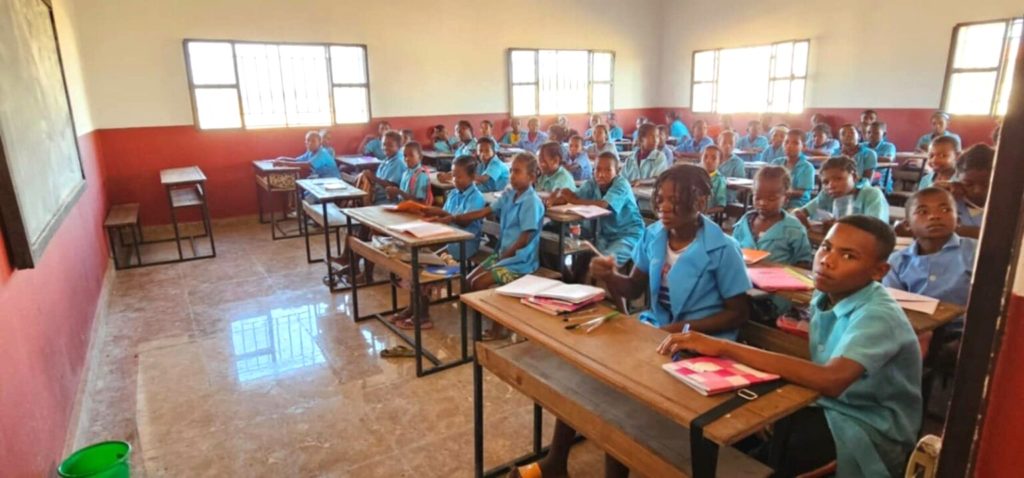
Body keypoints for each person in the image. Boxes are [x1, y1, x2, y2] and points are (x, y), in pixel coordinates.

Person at [512, 164, 752, 478]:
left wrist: (684, 331)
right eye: (660, 199)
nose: (664, 207)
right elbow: (634, 288)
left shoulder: (724, 249)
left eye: (676, 200)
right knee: (589, 371)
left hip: (703, 346)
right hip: (657, 333)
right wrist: (611, 275)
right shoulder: (654, 236)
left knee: (621, 393)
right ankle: (556, 461)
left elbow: (738, 312)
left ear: (701, 202)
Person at [658, 215, 921, 477]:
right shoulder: (826, 294)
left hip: (865, 424)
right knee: (733, 431)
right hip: (824, 403)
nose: (827, 260)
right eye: (826, 247)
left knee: (760, 458)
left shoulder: (878, 315)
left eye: (848, 256)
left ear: (879, 271)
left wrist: (725, 347)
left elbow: (832, 380)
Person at [442, 153, 545, 340]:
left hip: (520, 260)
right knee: (469, 281)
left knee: (480, 283)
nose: (512, 176)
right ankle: (485, 318)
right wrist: (454, 218)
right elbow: (485, 211)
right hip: (503, 254)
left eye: (517, 172)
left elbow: (524, 239)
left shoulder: (531, 202)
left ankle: (500, 327)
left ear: (531, 177)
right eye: (511, 171)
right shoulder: (509, 193)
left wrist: (504, 257)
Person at [395, 155, 488, 330]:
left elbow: (463, 222)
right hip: (446, 238)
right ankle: (413, 308)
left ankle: (423, 316)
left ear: (472, 177)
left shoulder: (476, 197)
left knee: (425, 268)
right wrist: (427, 210)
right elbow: (445, 213)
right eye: (453, 175)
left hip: (463, 244)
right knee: (417, 261)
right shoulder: (453, 193)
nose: (455, 180)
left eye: (459, 177)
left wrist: (443, 216)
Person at [884, 187, 976, 332]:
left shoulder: (975, 252)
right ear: (907, 225)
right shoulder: (897, 261)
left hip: (964, 331)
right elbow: (893, 306)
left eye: (945, 210)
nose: (934, 216)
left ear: (958, 220)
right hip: (913, 332)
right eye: (923, 212)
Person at [550, 151, 644, 268]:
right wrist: (559, 197)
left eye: (608, 170)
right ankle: (572, 278)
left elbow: (603, 205)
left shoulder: (621, 184)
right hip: (603, 235)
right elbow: (574, 196)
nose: (601, 174)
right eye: (597, 170)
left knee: (603, 262)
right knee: (584, 256)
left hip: (627, 235)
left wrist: (573, 200)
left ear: (617, 172)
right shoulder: (592, 183)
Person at [732, 166, 813, 267]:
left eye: (771, 199)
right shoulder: (744, 223)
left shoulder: (793, 228)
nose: (762, 203)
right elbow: (732, 250)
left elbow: (804, 262)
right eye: (757, 198)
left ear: (786, 198)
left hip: (779, 276)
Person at [795, 156, 889, 228]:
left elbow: (875, 228)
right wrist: (801, 218)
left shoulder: (871, 195)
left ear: (854, 177)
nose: (831, 185)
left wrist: (839, 225)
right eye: (826, 182)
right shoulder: (827, 194)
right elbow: (801, 212)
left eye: (838, 179)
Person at [937, 144, 993, 239]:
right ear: (957, 177)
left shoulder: (1005, 204)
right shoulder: (949, 198)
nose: (977, 191)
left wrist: (953, 229)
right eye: (968, 184)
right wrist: (936, 195)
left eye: (986, 184)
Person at [770, 129, 815, 209]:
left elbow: (801, 192)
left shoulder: (807, 167)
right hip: (777, 201)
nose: (789, 146)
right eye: (786, 142)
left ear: (803, 147)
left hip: (798, 205)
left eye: (795, 143)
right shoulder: (776, 163)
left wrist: (783, 193)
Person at [274, 130, 340, 179]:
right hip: (322, 179)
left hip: (333, 181)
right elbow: (297, 160)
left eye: (313, 141)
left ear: (320, 143)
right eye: (308, 140)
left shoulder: (322, 153)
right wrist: (282, 158)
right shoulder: (310, 152)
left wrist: (284, 163)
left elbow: (308, 165)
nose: (310, 143)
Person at [862, 121, 897, 193]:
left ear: (884, 134)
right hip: (863, 176)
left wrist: (868, 158)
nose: (871, 135)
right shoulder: (862, 146)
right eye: (869, 132)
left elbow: (889, 160)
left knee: (866, 188)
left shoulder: (889, 146)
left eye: (876, 133)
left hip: (881, 180)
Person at [701, 145, 727, 214]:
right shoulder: (695, 175)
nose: (708, 161)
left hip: (706, 215)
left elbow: (721, 206)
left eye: (714, 158)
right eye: (705, 157)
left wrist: (704, 212)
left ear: (720, 162)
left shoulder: (720, 180)